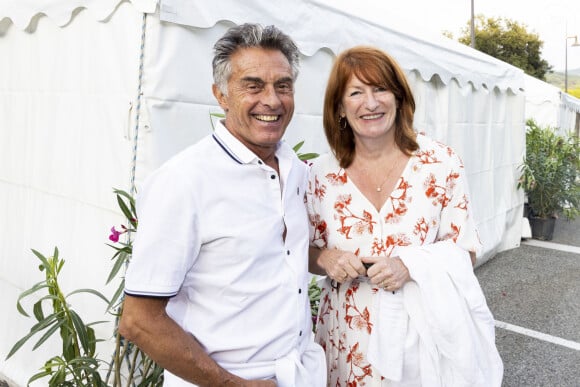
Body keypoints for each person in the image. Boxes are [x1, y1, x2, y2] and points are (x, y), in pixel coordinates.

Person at [119, 23, 326, 387]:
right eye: (253, 85)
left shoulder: (294, 170)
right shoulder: (184, 181)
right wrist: (232, 385)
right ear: (221, 95)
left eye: (283, 85)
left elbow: (281, 254)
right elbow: (138, 320)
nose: (272, 100)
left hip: (297, 374)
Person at [306, 46, 503, 386]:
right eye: (356, 92)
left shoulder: (441, 164)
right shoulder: (318, 176)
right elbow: (303, 252)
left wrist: (410, 264)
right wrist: (326, 258)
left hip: (422, 340)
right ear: (339, 107)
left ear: (399, 97)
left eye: (380, 89)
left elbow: (465, 250)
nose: (370, 103)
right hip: (347, 341)